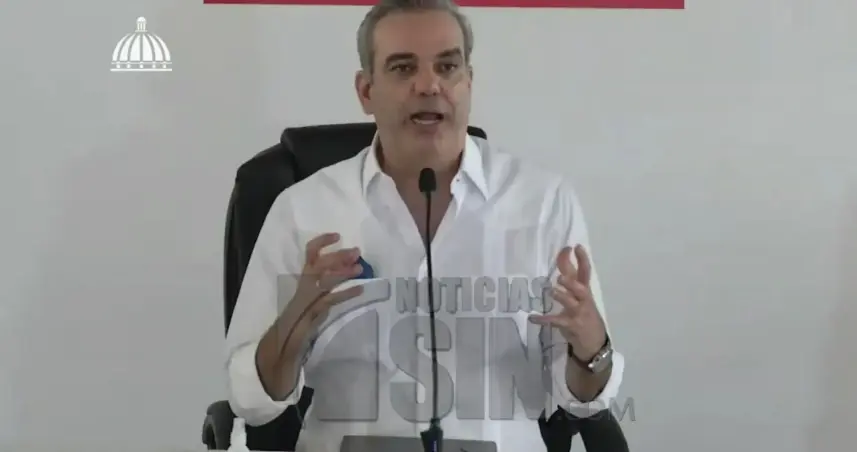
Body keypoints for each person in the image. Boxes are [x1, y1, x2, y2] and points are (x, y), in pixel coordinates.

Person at [225, 0, 625, 451]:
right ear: (366, 90)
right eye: (403, 68)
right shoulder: (304, 210)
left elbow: (583, 400)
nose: (429, 85)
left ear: (468, 82)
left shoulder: (544, 203)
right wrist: (293, 328)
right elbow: (250, 401)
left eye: (447, 66)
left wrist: (591, 350)